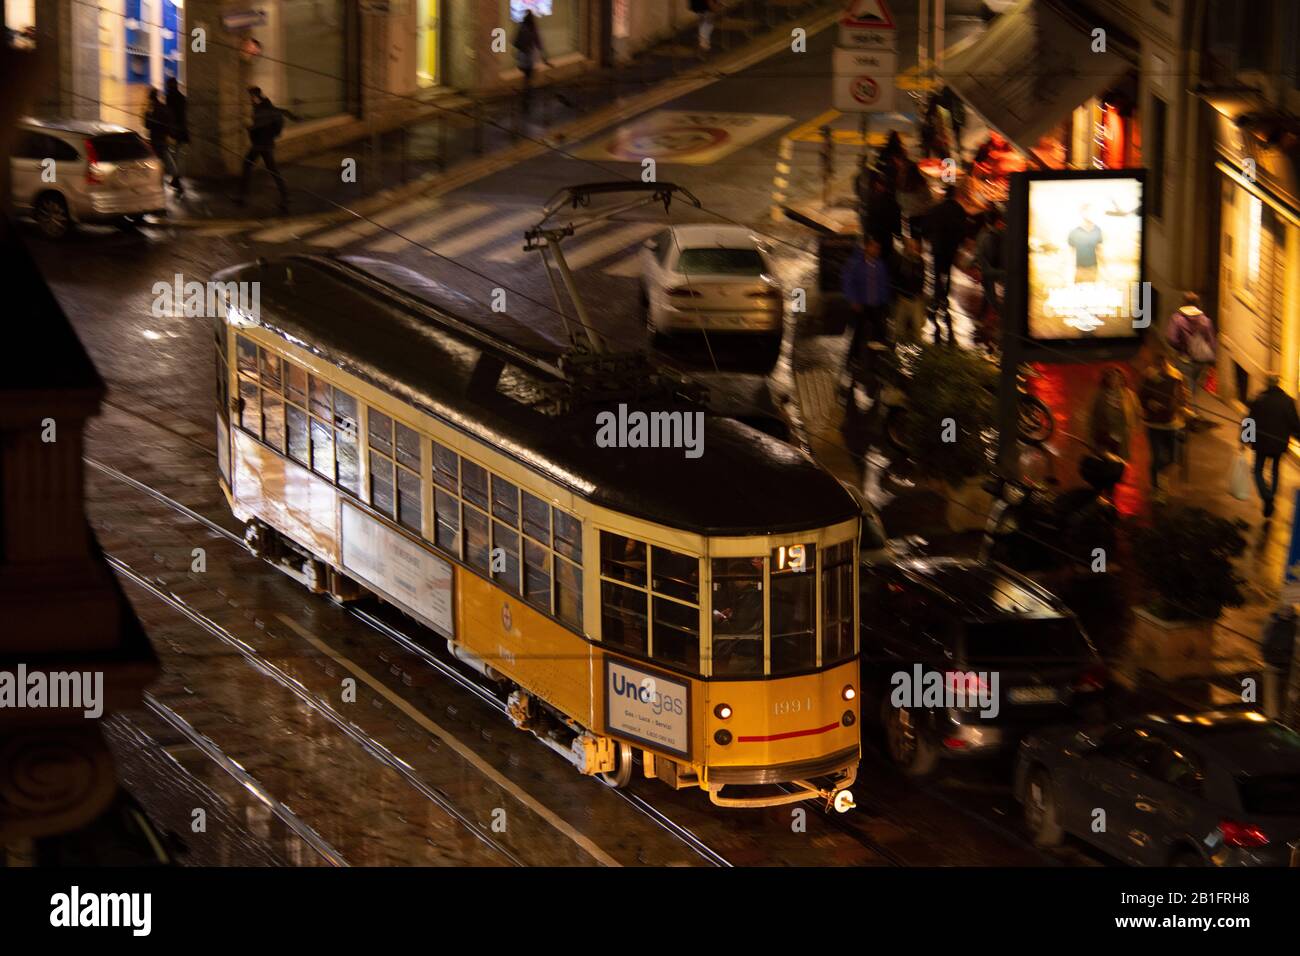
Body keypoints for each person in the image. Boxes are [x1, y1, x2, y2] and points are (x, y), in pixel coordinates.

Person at [918, 184, 971, 344]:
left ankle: (938, 296)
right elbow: (963, 229)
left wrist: (928, 238)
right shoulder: (958, 210)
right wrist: (960, 244)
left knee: (936, 271)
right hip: (950, 247)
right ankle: (944, 296)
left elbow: (925, 227)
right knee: (946, 272)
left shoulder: (935, 209)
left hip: (937, 247)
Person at [840, 236, 892, 396]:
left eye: (878, 248)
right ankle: (851, 363)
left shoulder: (880, 265)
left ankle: (876, 363)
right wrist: (854, 300)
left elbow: (884, 285)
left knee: (879, 334)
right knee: (857, 335)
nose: (876, 251)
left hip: (876, 306)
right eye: (874, 248)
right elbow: (847, 283)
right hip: (861, 307)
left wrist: (885, 304)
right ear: (867, 247)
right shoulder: (856, 264)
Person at [1244, 374, 1300, 519]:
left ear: (1266, 383)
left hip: (1261, 442)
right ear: (1278, 383)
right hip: (1279, 443)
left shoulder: (1259, 399)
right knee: (1275, 471)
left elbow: (1249, 420)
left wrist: (1244, 439)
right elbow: (1295, 424)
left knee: (1257, 471)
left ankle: (1267, 497)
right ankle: (1271, 497)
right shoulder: (1288, 401)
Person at [1138, 354, 1189, 502]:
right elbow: (1142, 397)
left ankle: (1161, 478)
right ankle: (1157, 488)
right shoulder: (1148, 378)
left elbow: (1182, 398)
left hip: (1172, 424)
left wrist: (1183, 409)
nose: (1161, 368)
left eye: (1164, 365)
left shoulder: (1175, 378)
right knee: (1157, 456)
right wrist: (1149, 404)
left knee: (1172, 457)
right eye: (1159, 365)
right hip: (1153, 424)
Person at [235, 87, 290, 214]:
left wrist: (249, 127)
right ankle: (285, 197)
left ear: (256, 96)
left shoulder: (264, 108)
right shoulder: (262, 106)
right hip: (262, 144)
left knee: (251, 166)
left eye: (251, 96)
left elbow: (261, 126)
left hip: (261, 144)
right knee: (269, 169)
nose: (250, 99)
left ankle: (242, 196)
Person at [1167, 291, 1218, 417]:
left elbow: (1171, 339)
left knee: (1186, 389)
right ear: (1197, 304)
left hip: (1184, 359)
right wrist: (1209, 359)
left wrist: (1181, 348)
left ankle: (1190, 416)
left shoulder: (1177, 319)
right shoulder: (1205, 321)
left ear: (1183, 302)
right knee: (1193, 387)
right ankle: (1191, 412)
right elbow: (1212, 343)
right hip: (1200, 362)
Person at [1088, 365, 1139, 463]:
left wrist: (1132, 428)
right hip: (1103, 435)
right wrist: (1090, 435)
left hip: (1121, 436)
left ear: (1122, 379)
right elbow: (1092, 416)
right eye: (1111, 377)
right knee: (1104, 461)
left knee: (1120, 462)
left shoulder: (1129, 395)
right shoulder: (1099, 395)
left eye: (1117, 377)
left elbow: (1137, 413)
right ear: (1106, 379)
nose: (1114, 380)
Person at [973, 207, 1006, 352]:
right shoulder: (991, 235)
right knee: (991, 297)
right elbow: (990, 256)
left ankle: (981, 320)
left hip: (987, 271)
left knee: (988, 296)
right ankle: (1000, 322)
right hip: (990, 271)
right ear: (997, 221)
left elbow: (980, 252)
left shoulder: (983, 233)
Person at [1261, 605, 1297, 718]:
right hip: (1273, 661)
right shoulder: (1272, 621)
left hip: (1289, 663)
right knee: (1272, 691)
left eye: (1288, 609)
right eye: (1284, 609)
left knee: (1288, 692)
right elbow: (1264, 638)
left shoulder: (1295, 623)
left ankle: (1286, 715)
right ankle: (1273, 716)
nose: (1286, 611)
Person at [513, 11, 551, 116]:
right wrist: (545, 59)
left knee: (527, 78)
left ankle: (525, 97)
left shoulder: (521, 27)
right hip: (528, 57)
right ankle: (526, 98)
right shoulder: (532, 29)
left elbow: (515, 42)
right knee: (528, 79)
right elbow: (539, 44)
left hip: (521, 57)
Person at [143, 88, 175, 183]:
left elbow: (147, 125)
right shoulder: (164, 107)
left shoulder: (151, 109)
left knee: (157, 160)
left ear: (151, 98)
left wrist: (146, 114)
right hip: (163, 137)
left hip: (155, 138)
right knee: (165, 158)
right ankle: (173, 177)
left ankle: (160, 179)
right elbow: (170, 120)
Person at [895, 158, 932, 238]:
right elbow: (929, 198)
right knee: (921, 238)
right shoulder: (921, 186)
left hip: (906, 217)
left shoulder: (900, 185)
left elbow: (898, 200)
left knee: (910, 239)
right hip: (921, 217)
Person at [1067, 204, 1104, 284]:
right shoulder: (1074, 232)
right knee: (1079, 292)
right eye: (1086, 211)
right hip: (1079, 269)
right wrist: (1070, 271)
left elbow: (1099, 251)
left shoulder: (1097, 230)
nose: (1090, 214)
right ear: (1081, 213)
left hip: (1093, 268)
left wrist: (1103, 270)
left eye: (1091, 212)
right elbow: (1070, 253)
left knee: (1091, 291)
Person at [164, 76, 188, 196]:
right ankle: (176, 179)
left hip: (173, 132)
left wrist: (169, 130)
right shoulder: (182, 98)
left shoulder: (169, 97)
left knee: (171, 156)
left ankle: (176, 179)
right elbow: (183, 116)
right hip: (182, 132)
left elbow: (170, 115)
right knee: (178, 156)